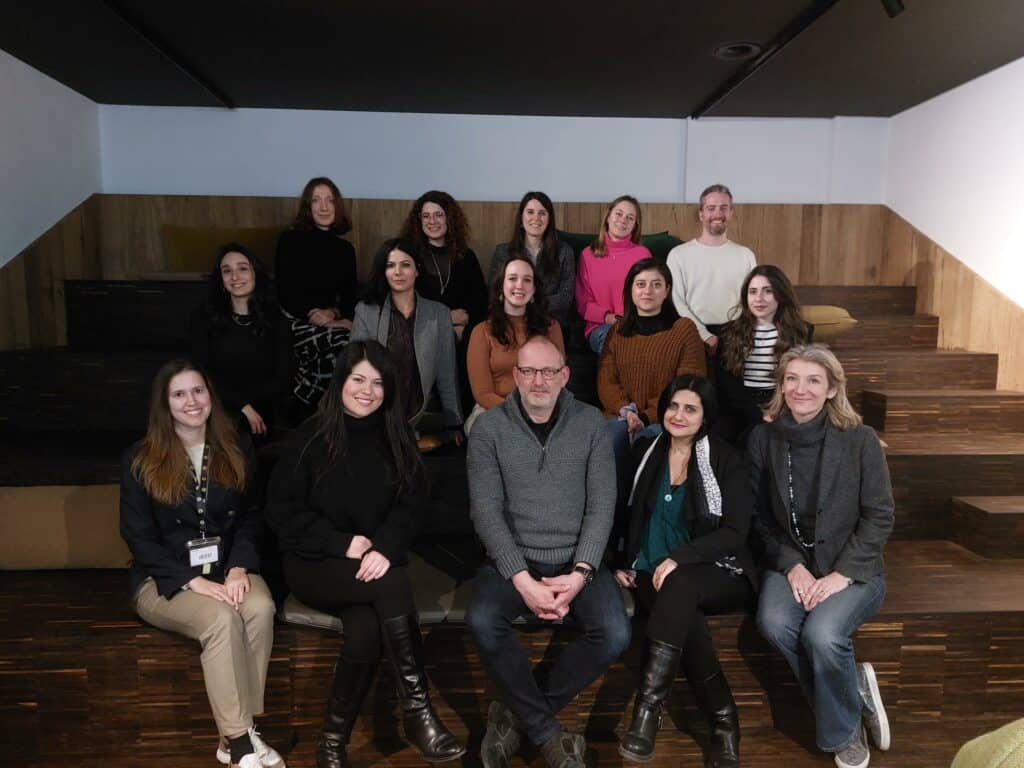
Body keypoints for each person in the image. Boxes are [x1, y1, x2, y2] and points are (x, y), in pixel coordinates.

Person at [265, 341, 465, 766]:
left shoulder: (396, 436)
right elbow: (281, 512)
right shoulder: (310, 437)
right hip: (315, 562)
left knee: (366, 630)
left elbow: (412, 506)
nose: (367, 391)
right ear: (341, 381)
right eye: (358, 379)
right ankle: (419, 713)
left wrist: (385, 548)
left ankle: (330, 744)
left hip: (372, 566)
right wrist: (341, 543)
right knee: (392, 582)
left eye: (377, 383)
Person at [466, 335, 631, 768]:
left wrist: (580, 574)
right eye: (528, 371)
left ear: (565, 375)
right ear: (515, 375)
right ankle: (546, 733)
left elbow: (602, 505)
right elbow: (486, 512)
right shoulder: (488, 429)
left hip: (576, 560)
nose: (538, 381)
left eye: (548, 371)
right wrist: (523, 581)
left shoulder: (591, 423)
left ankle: (516, 716)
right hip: (514, 561)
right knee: (482, 619)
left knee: (615, 632)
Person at [119, 360, 283, 768]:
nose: (191, 401)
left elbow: (252, 515)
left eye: (198, 391)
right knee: (221, 620)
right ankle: (241, 745)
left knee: (260, 607)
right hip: (164, 579)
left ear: (211, 395)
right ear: (165, 404)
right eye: (179, 394)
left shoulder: (236, 445)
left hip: (227, 568)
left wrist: (239, 567)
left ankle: (236, 734)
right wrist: (192, 581)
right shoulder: (140, 458)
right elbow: (138, 538)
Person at [750, 344, 893, 768]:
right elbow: (757, 516)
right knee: (774, 622)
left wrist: (841, 574)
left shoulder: (861, 439)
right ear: (781, 386)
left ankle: (843, 734)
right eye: (792, 378)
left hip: (852, 567)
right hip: (791, 560)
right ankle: (853, 696)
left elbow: (879, 516)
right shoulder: (763, 438)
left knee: (822, 635)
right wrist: (792, 565)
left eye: (813, 380)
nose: (801, 389)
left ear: (832, 388)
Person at [615, 375, 756, 767]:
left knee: (680, 584)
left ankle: (647, 710)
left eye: (690, 408)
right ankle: (725, 723)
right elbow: (623, 511)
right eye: (673, 406)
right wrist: (617, 561)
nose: (678, 415)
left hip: (717, 568)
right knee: (682, 610)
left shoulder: (727, 459)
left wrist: (681, 557)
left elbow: (736, 532)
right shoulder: (646, 451)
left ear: (705, 416)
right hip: (651, 569)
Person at [597, 258, 706, 507]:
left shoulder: (683, 330)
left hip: (667, 418)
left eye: (656, 284)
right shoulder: (617, 332)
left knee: (647, 441)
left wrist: (645, 417)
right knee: (610, 438)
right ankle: (612, 518)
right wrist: (628, 412)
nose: (648, 291)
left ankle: (641, 519)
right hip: (621, 416)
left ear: (667, 290)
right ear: (630, 290)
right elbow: (606, 380)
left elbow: (687, 385)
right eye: (641, 284)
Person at [351, 238, 463, 441]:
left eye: (405, 265)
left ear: (417, 270)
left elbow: (447, 372)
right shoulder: (366, 311)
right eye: (390, 265)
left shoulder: (439, 314)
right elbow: (354, 369)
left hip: (419, 412)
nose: (398, 272)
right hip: (375, 411)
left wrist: (454, 421)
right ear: (383, 272)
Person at [275, 177, 359, 420]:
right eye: (316, 200)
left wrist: (333, 314)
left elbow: (350, 298)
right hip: (295, 320)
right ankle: (330, 417)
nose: (324, 207)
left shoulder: (345, 250)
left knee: (342, 349)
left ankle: (304, 407)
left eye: (330, 200)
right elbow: (285, 292)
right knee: (344, 344)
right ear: (307, 207)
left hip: (329, 322)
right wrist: (314, 315)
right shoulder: (289, 240)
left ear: (337, 206)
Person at [190, 243, 293, 438]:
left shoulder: (276, 321)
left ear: (256, 274)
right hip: (217, 405)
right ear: (221, 280)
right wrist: (242, 406)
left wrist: (251, 407)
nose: (235, 277)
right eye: (227, 271)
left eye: (242, 269)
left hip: (263, 408)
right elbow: (202, 371)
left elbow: (283, 377)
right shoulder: (204, 318)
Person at [714, 265, 811, 446]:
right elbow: (726, 383)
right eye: (753, 292)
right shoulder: (729, 332)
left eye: (768, 291)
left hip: (782, 402)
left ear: (781, 294)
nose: (759, 298)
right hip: (739, 405)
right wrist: (757, 414)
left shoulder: (801, 331)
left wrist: (777, 408)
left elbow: (802, 378)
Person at [465, 256, 564, 433]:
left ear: (534, 289)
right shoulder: (481, 332)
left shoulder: (551, 328)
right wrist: (521, 415)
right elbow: (482, 393)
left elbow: (558, 380)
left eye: (527, 280)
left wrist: (537, 413)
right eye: (512, 278)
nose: (519, 285)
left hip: (543, 408)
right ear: (501, 286)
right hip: (494, 409)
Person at [666, 184, 757, 354]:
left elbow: (752, 300)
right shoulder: (678, 255)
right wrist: (704, 335)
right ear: (701, 214)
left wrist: (739, 332)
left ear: (731, 213)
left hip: (736, 336)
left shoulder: (746, 255)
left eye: (724, 208)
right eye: (711, 208)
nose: (718, 214)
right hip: (693, 336)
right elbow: (676, 301)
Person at [399, 190, 487, 343]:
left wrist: (463, 330)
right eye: (426, 216)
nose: (432, 221)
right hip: (418, 337)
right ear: (419, 220)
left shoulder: (466, 256)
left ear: (449, 218)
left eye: (438, 215)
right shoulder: (408, 256)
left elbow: (480, 303)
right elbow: (402, 306)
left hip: (461, 337)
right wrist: (446, 318)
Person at [575, 195, 651, 355]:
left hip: (638, 324)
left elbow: (650, 295)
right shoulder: (588, 255)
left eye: (630, 217)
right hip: (601, 326)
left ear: (635, 225)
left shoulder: (642, 254)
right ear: (608, 217)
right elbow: (583, 302)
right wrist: (608, 317)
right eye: (619, 214)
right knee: (619, 343)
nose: (623, 220)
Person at [489, 191, 576, 326]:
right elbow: (496, 292)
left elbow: (565, 298)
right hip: (512, 321)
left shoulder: (564, 251)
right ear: (521, 218)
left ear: (549, 219)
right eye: (530, 212)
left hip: (551, 322)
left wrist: (528, 302)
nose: (536, 218)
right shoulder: (503, 252)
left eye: (542, 213)